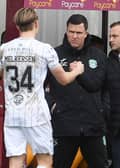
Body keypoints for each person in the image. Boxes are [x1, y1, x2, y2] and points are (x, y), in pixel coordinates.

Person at [0, 8, 84, 168]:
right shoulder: (45, 49)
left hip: (13, 114)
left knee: (15, 159)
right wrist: (77, 71)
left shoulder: (4, 49)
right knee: (44, 160)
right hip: (37, 114)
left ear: (17, 26)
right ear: (36, 24)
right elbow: (63, 80)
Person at [46, 14, 108, 168]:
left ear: (86, 33)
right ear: (66, 32)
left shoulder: (98, 56)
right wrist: (53, 105)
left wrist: (103, 110)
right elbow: (39, 86)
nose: (74, 36)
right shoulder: (54, 55)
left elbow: (100, 85)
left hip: (92, 126)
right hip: (64, 125)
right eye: (71, 32)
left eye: (79, 33)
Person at [106, 21, 120, 168]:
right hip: (116, 128)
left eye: (115, 36)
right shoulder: (107, 63)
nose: (110, 40)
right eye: (110, 36)